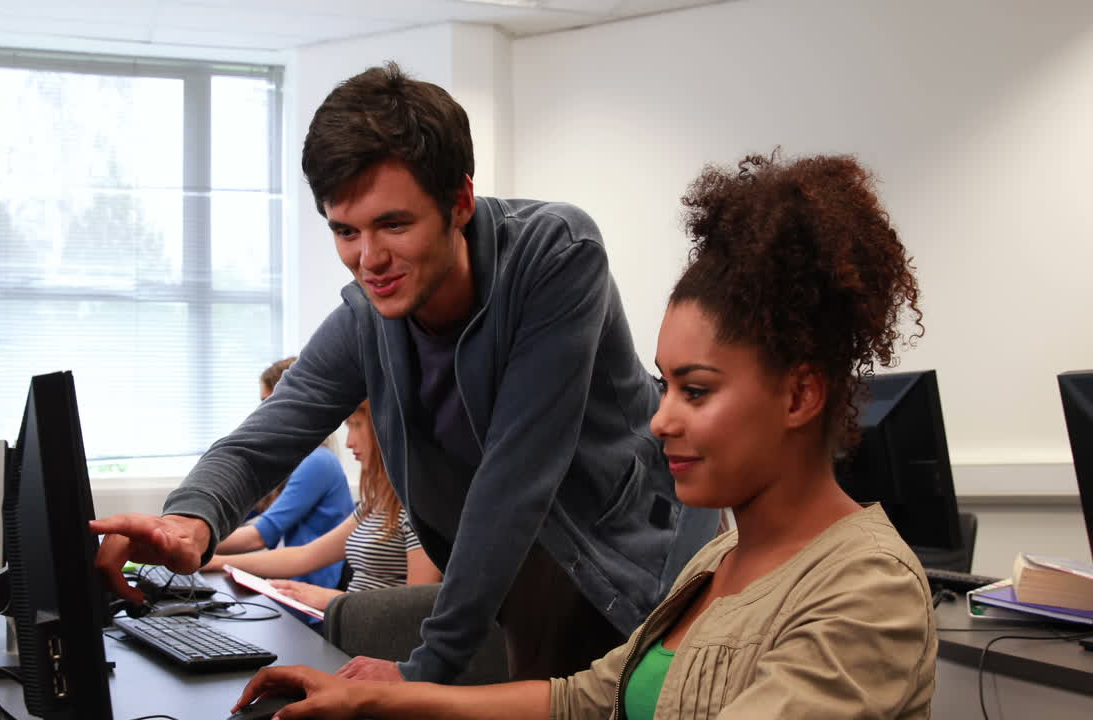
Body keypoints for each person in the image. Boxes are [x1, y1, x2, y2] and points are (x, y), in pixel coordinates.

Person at [230, 151, 938, 719]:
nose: (659, 420)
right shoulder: (714, 563)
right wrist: (383, 698)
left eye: (695, 391)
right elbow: (583, 699)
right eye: (664, 386)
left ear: (800, 396)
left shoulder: (864, 587)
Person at [90, 62, 719, 685]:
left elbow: (515, 478)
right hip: (523, 573)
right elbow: (264, 438)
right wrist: (189, 519)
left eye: (393, 224)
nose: (370, 260)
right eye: (345, 231)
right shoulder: (367, 318)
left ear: (460, 202)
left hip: (634, 555)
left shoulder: (554, 255)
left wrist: (426, 669)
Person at [204, 401, 441, 612]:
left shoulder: (418, 509)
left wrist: (333, 600)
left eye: (357, 426)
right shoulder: (376, 504)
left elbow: (414, 609)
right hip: (351, 625)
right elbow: (304, 556)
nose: (349, 442)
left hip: (370, 634)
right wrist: (219, 562)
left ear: (386, 433)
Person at [211, 357, 355, 591]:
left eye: (270, 402)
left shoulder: (318, 461)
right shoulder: (285, 460)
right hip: (289, 581)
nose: (263, 412)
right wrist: (192, 529)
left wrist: (195, 545)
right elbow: (235, 511)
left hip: (309, 587)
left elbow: (259, 536)